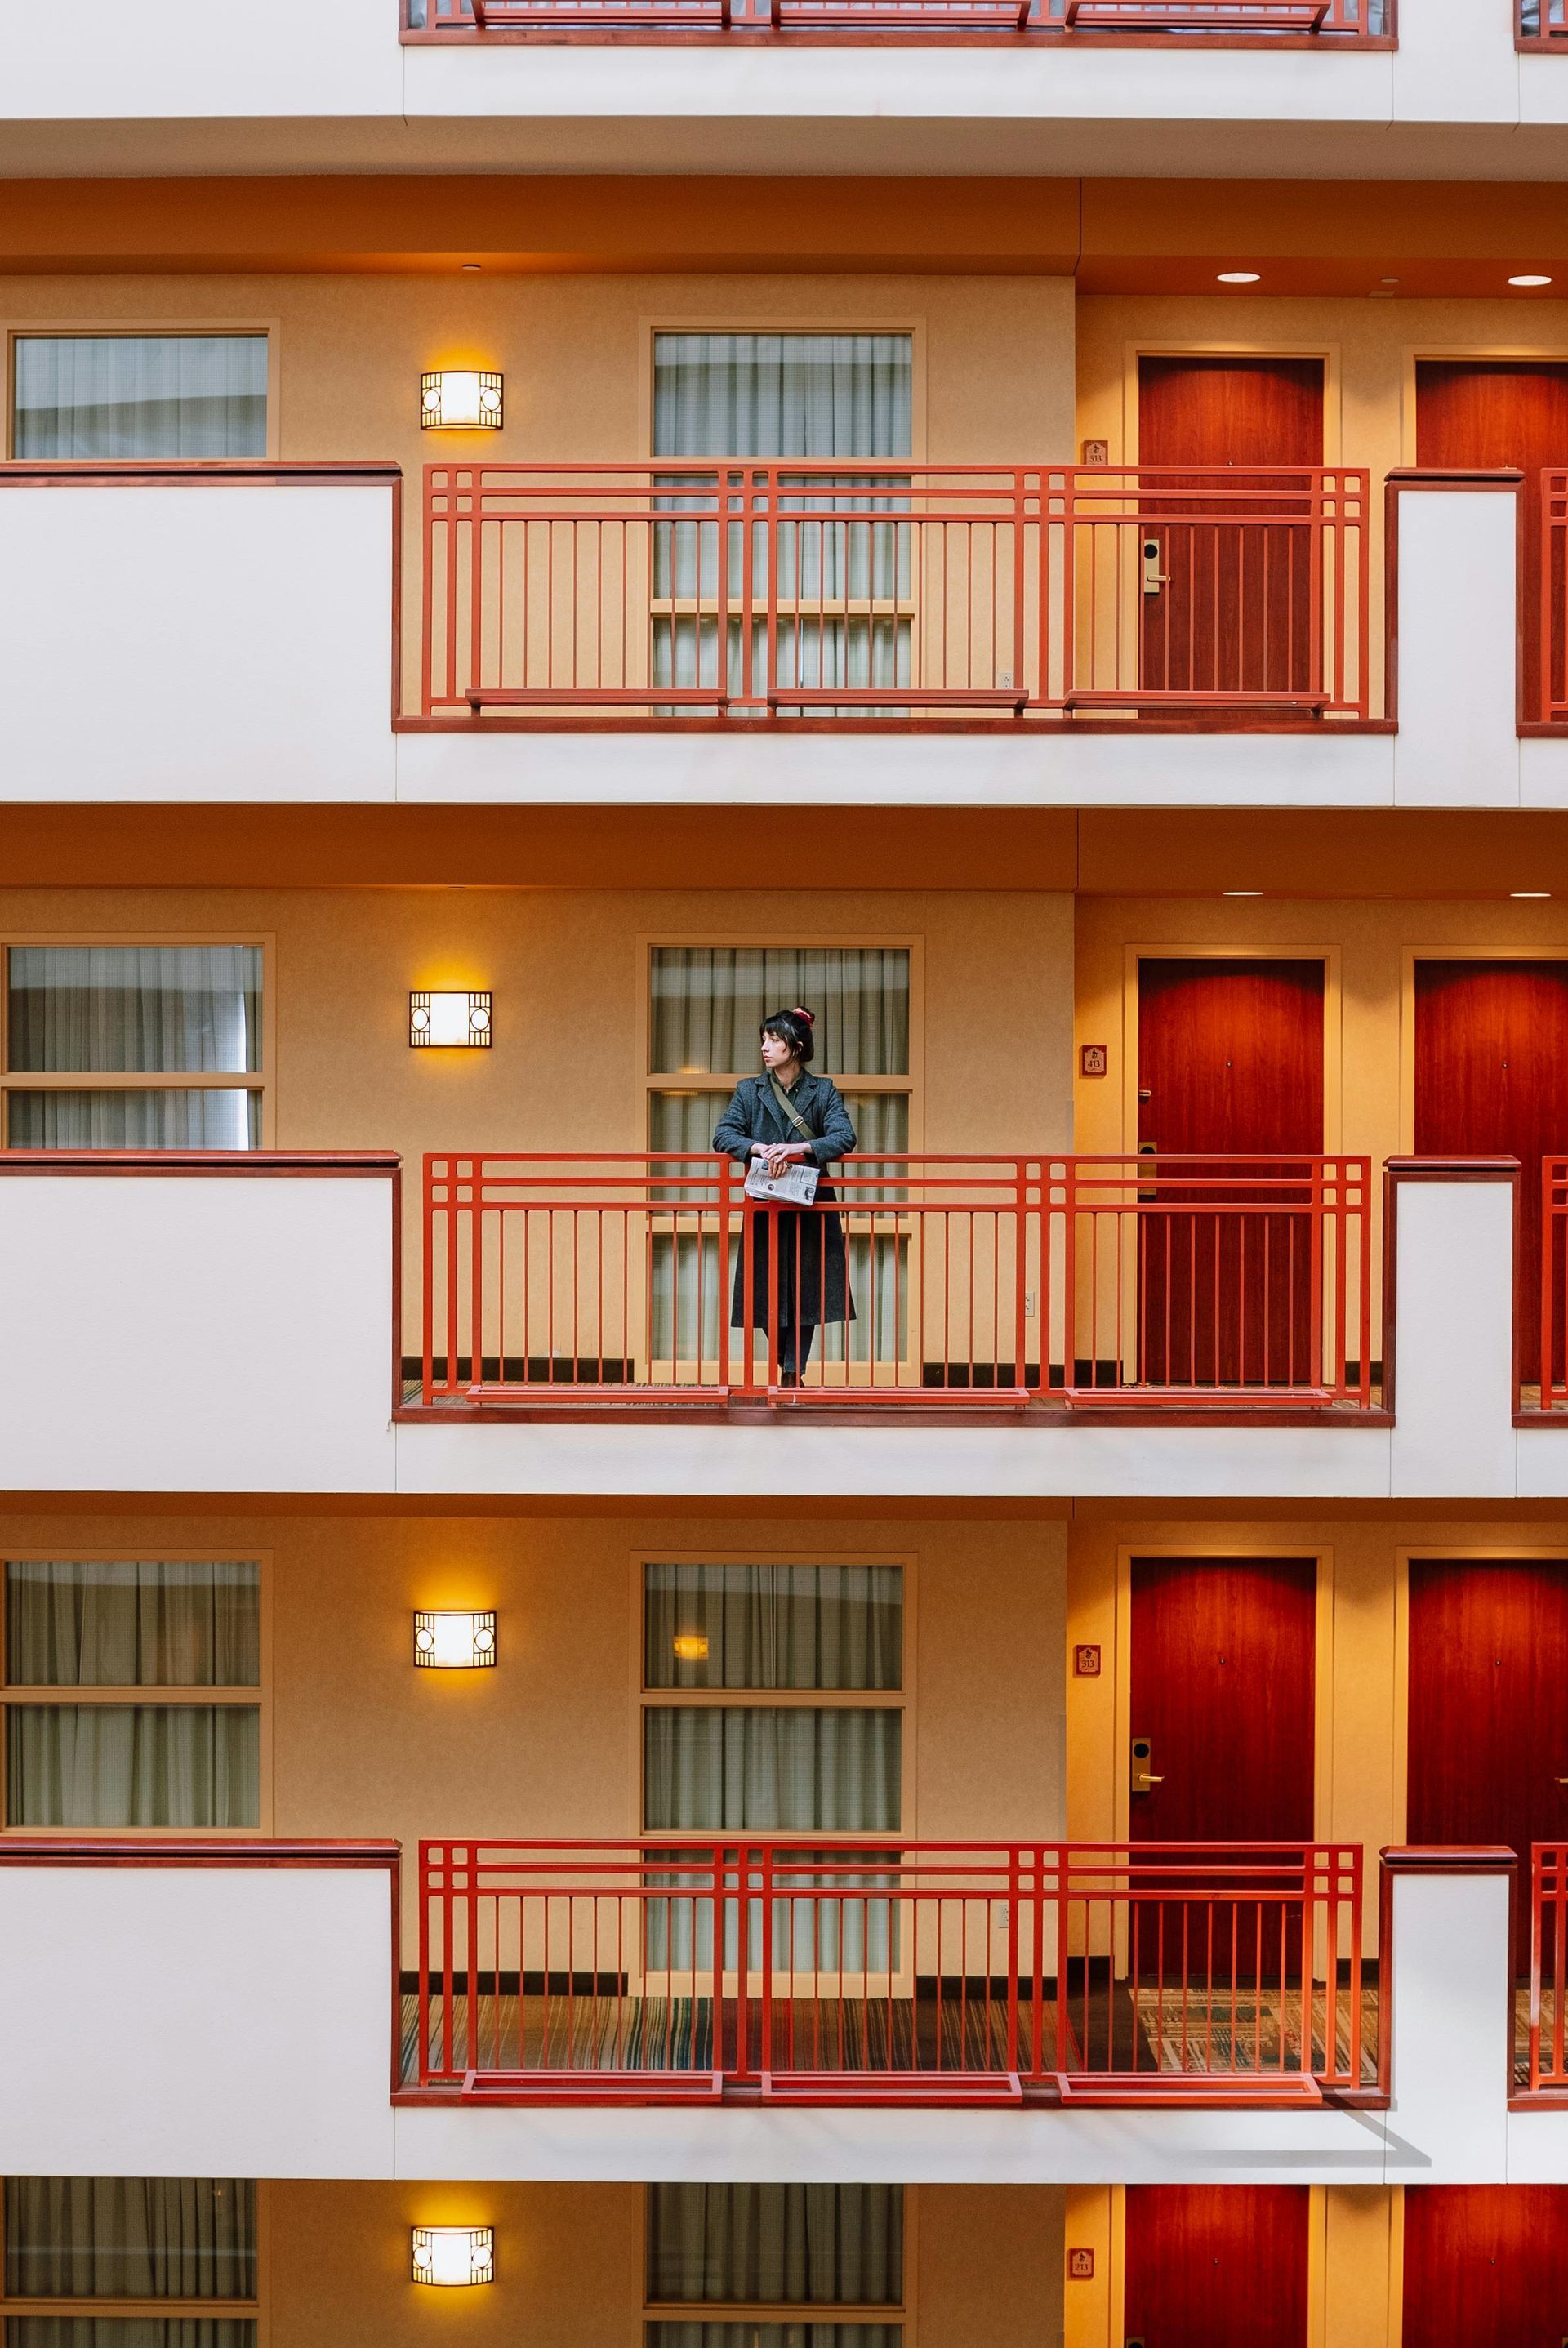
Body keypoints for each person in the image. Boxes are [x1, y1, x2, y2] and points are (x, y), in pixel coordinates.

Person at [713, 1006, 857, 1387]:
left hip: (811, 1206)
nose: (765, 1047)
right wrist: (760, 1148)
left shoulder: (822, 1089)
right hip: (766, 1204)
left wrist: (798, 1150)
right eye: (764, 1039)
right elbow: (723, 1135)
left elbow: (844, 1137)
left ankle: (792, 1373)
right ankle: (786, 1363)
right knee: (762, 1291)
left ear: (795, 1046)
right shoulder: (749, 1089)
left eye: (774, 1040)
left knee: (807, 1295)